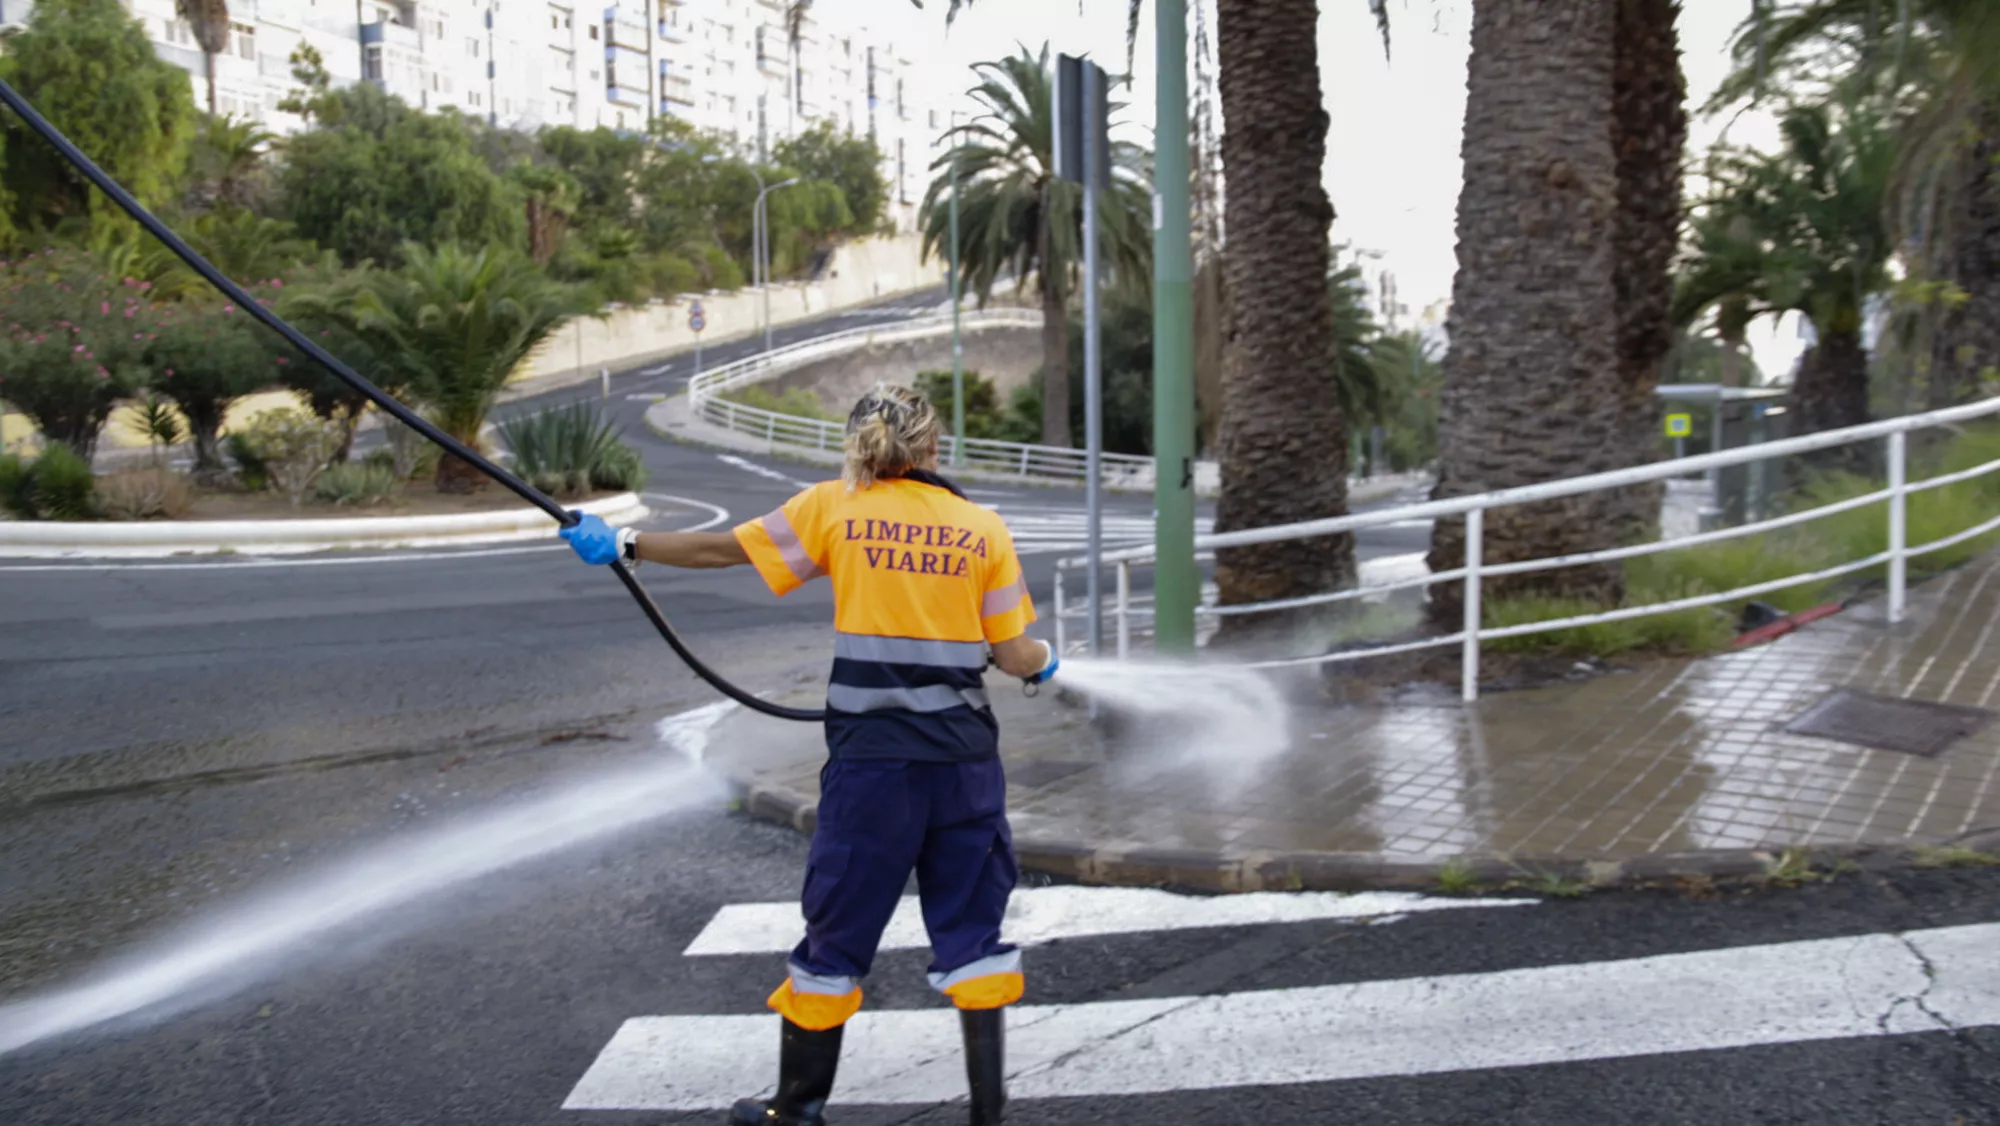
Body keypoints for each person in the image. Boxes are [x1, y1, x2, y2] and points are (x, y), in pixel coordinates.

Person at [560, 383, 1058, 1125]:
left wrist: (624, 544)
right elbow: (1012, 653)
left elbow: (720, 548)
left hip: (873, 768)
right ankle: (989, 1118)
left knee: (839, 927)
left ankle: (796, 1110)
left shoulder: (835, 508)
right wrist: (1045, 662)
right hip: (963, 767)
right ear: (931, 447)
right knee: (973, 934)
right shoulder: (981, 528)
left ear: (860, 443)